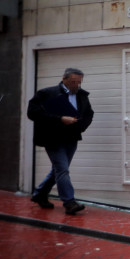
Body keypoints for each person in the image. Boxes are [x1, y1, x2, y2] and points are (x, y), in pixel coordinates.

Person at [27, 68, 94, 215]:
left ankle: (39, 194)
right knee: (62, 169)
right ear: (64, 79)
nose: (76, 85)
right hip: (53, 138)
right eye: (73, 82)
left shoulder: (82, 95)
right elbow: (32, 113)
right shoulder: (46, 93)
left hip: (71, 138)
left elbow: (89, 113)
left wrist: (81, 126)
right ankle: (69, 202)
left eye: (79, 82)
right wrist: (60, 119)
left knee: (58, 170)